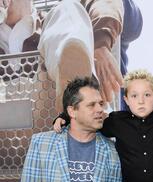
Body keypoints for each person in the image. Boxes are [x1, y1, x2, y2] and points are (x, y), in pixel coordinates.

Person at [0, 0, 142, 109]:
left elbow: (107, 5)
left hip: (51, 115)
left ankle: (75, 91)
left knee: (68, 9)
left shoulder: (54, 23)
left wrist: (100, 44)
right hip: (4, 123)